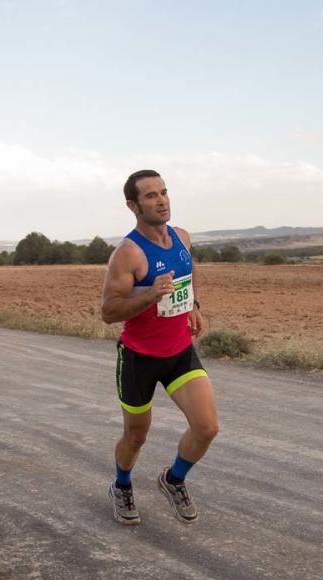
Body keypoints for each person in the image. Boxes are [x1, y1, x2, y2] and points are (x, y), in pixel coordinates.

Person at [101, 170, 219, 525]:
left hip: (179, 352)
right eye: (150, 196)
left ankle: (174, 479)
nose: (161, 200)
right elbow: (109, 312)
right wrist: (151, 294)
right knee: (136, 436)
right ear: (133, 205)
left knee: (207, 427)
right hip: (139, 357)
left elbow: (188, 273)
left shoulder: (182, 237)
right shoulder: (128, 254)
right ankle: (121, 485)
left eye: (164, 192)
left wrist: (195, 307)